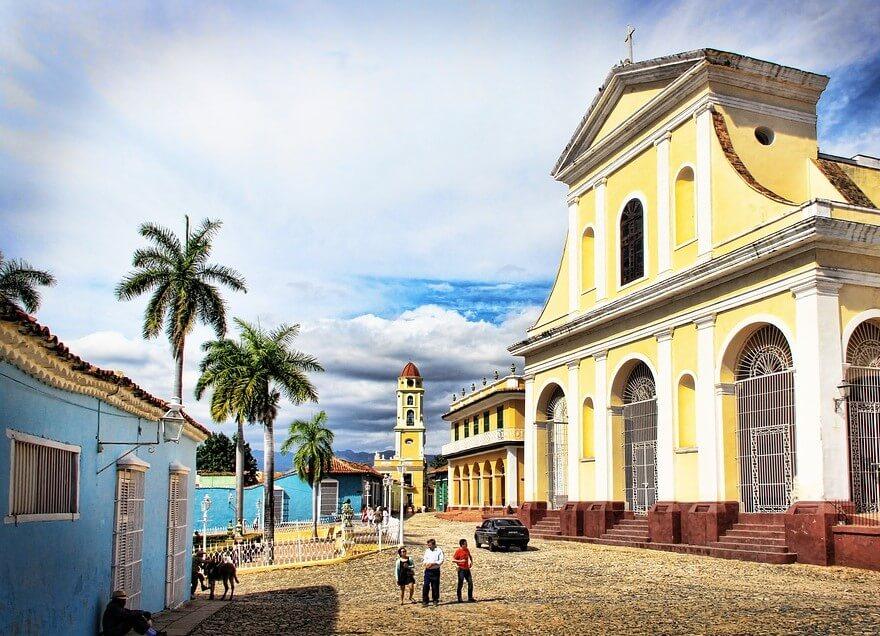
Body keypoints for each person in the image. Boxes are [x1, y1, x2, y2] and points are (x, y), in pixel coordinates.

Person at [101, 590, 166, 636]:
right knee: (133, 618)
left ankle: (154, 633)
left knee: (135, 616)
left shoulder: (115, 606)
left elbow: (129, 612)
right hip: (112, 632)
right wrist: (141, 613)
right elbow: (128, 614)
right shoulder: (114, 608)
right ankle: (154, 634)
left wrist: (142, 612)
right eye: (123, 600)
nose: (124, 601)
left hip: (115, 630)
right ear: (118, 600)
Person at [421, 538, 444, 606]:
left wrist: (433, 564)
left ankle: (435, 600)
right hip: (428, 570)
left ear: (434, 545)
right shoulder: (427, 551)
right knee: (426, 585)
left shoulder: (439, 551)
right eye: (428, 545)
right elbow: (425, 559)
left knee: (435, 586)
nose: (429, 547)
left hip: (435, 570)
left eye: (430, 545)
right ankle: (425, 600)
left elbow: (441, 560)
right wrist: (425, 564)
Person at [452, 538, 475, 603]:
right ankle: (459, 598)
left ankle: (470, 597)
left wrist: (471, 562)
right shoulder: (458, 551)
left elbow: (470, 556)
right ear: (462, 545)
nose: (467, 545)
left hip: (467, 569)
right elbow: (453, 560)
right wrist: (460, 561)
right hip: (461, 569)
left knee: (470, 583)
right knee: (460, 583)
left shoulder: (467, 550)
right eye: (465, 544)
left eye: (466, 543)